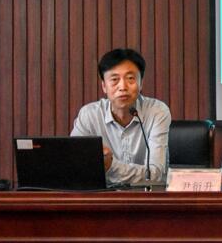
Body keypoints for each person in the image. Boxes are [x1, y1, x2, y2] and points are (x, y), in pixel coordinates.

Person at [71, 48, 171, 185]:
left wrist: (110, 166)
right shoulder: (89, 115)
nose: (122, 87)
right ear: (104, 86)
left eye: (130, 78)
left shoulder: (157, 112)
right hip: (101, 195)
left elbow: (155, 174)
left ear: (141, 83)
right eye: (114, 79)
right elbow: (75, 166)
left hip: (145, 195)